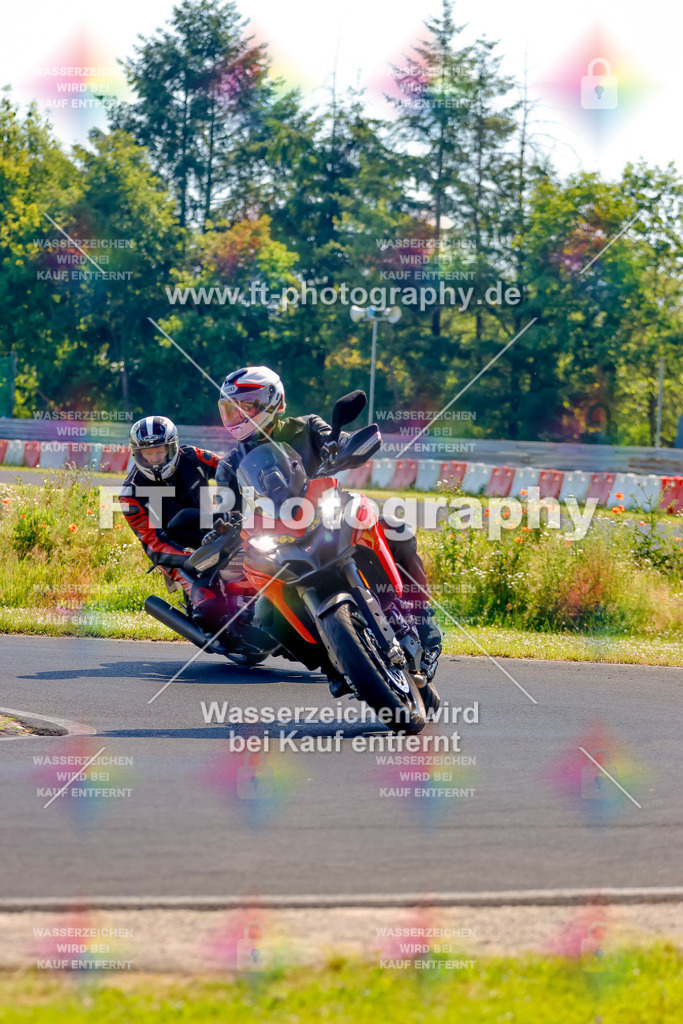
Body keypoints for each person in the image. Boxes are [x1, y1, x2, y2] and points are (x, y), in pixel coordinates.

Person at [212, 367, 442, 688]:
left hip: (327, 513)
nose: (239, 414)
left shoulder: (306, 425)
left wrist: (343, 446)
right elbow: (223, 507)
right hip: (280, 539)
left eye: (247, 405)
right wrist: (220, 526)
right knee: (265, 614)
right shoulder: (231, 464)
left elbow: (338, 439)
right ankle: (333, 663)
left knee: (397, 531)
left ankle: (426, 628)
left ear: (274, 401)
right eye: (231, 407)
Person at [118, 416, 221, 598]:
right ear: (137, 454)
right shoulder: (130, 495)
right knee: (207, 601)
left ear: (172, 447)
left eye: (160, 451)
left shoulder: (193, 456)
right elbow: (155, 545)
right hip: (175, 554)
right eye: (147, 454)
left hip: (214, 534)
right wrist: (189, 558)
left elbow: (229, 468)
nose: (155, 459)